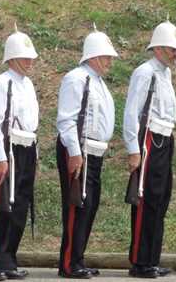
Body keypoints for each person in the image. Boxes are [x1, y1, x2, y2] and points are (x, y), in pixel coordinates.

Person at [56, 27, 118, 280]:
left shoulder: (98, 82)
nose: (109, 61)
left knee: (88, 206)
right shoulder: (76, 78)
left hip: (93, 152)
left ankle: (77, 258)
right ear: (92, 56)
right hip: (79, 150)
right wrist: (74, 152)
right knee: (76, 206)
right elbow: (67, 120)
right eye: (105, 56)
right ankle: (69, 263)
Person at [123, 22, 176, 278]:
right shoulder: (145, 72)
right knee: (145, 199)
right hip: (149, 139)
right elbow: (131, 112)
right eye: (171, 49)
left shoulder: (164, 73)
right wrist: (133, 148)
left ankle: (152, 258)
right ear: (158, 48)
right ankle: (140, 261)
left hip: (164, 139)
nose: (175, 53)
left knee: (160, 200)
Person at [0, 26, 39, 281]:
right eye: (24, 56)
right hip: (7, 147)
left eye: (30, 56)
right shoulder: (0, 85)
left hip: (25, 148)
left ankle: (8, 260)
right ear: (11, 57)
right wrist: (0, 157)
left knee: (19, 207)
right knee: (0, 207)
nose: (29, 60)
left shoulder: (27, 84)